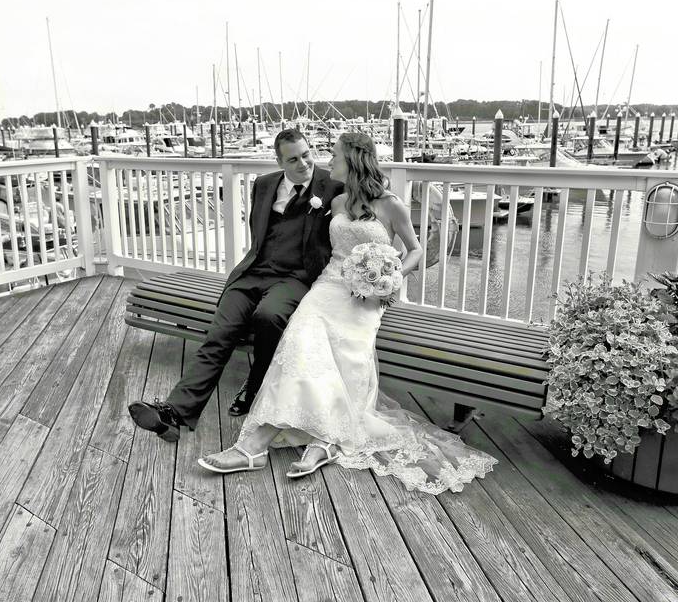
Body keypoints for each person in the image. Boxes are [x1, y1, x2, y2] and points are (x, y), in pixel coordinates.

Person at [197, 132, 496, 495]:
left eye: (334, 154)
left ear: (354, 160)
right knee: (299, 342)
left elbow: (416, 250)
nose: (328, 160)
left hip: (367, 298)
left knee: (344, 354)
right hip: (327, 287)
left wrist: (391, 276)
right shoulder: (335, 201)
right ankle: (257, 446)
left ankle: (318, 441)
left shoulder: (391, 205)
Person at [128, 129, 343, 441]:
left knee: (269, 317)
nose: (304, 163)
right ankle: (174, 413)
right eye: (293, 159)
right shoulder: (265, 184)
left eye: (307, 155)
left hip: (294, 277)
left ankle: (257, 390)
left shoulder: (333, 187)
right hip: (253, 273)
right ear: (279, 161)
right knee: (220, 334)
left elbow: (369, 198)